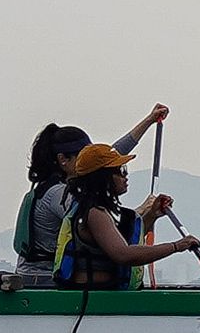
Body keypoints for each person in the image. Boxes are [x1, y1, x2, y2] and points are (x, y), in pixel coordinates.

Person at [16, 106, 166, 282]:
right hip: (42, 278)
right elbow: (102, 227)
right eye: (82, 156)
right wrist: (144, 209)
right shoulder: (58, 194)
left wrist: (149, 120)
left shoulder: (61, 186)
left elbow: (109, 155)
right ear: (63, 159)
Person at [48, 143, 200, 289]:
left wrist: (152, 215)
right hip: (95, 298)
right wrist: (176, 246)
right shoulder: (95, 213)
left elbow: (123, 240)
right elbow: (123, 254)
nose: (126, 176)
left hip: (103, 293)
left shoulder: (99, 210)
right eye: (121, 171)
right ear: (103, 178)